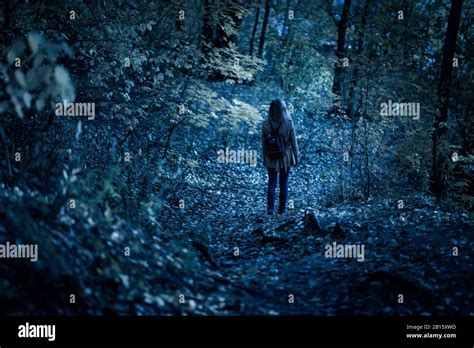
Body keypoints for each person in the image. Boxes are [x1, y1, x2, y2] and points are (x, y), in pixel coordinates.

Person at [262, 98, 299, 215]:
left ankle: (270, 209)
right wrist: (296, 158)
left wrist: (264, 158)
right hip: (285, 159)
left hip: (271, 158)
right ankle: (282, 210)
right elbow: (294, 142)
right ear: (283, 109)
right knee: (284, 184)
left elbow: (263, 144)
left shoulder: (266, 124)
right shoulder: (289, 122)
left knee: (271, 183)